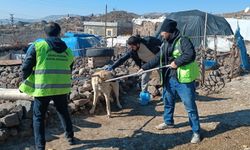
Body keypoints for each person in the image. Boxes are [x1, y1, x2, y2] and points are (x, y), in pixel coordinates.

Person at [139, 19, 201, 143]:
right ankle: (168, 122)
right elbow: (158, 58)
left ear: (170, 31)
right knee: (168, 101)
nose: (161, 34)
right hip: (168, 78)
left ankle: (196, 132)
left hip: (183, 80)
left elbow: (190, 54)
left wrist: (177, 62)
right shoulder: (165, 42)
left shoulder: (183, 40)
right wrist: (144, 68)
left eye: (163, 31)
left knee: (190, 106)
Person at [19, 22, 75, 150]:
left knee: (38, 117)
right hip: (61, 87)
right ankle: (70, 137)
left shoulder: (38, 46)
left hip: (43, 88)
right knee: (63, 112)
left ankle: (40, 146)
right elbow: (70, 68)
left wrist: (25, 81)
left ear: (45, 33)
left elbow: (26, 67)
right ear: (59, 33)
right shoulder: (67, 50)